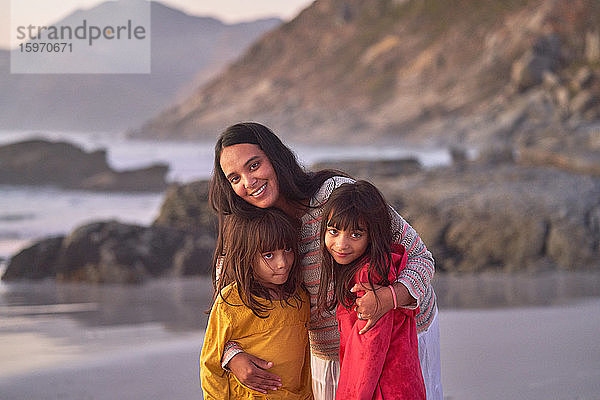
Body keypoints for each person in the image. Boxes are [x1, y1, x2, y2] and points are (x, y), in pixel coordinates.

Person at [209, 122, 442, 399]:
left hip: (399, 342)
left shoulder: (334, 196)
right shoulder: (248, 230)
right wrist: (233, 356)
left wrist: (388, 298)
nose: (248, 183)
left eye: (254, 165)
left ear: (275, 158)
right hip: (328, 357)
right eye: (234, 178)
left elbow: (420, 258)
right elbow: (225, 309)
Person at [317, 180, 425, 399]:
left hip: (383, 390)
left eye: (355, 235)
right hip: (402, 383)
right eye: (334, 231)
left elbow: (367, 357)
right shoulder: (385, 267)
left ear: (372, 235)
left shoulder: (368, 280)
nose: (341, 244)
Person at [199, 208, 313, 399]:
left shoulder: (299, 297)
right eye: (269, 255)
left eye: (288, 249)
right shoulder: (232, 301)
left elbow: (305, 363)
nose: (282, 263)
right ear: (247, 257)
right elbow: (211, 364)